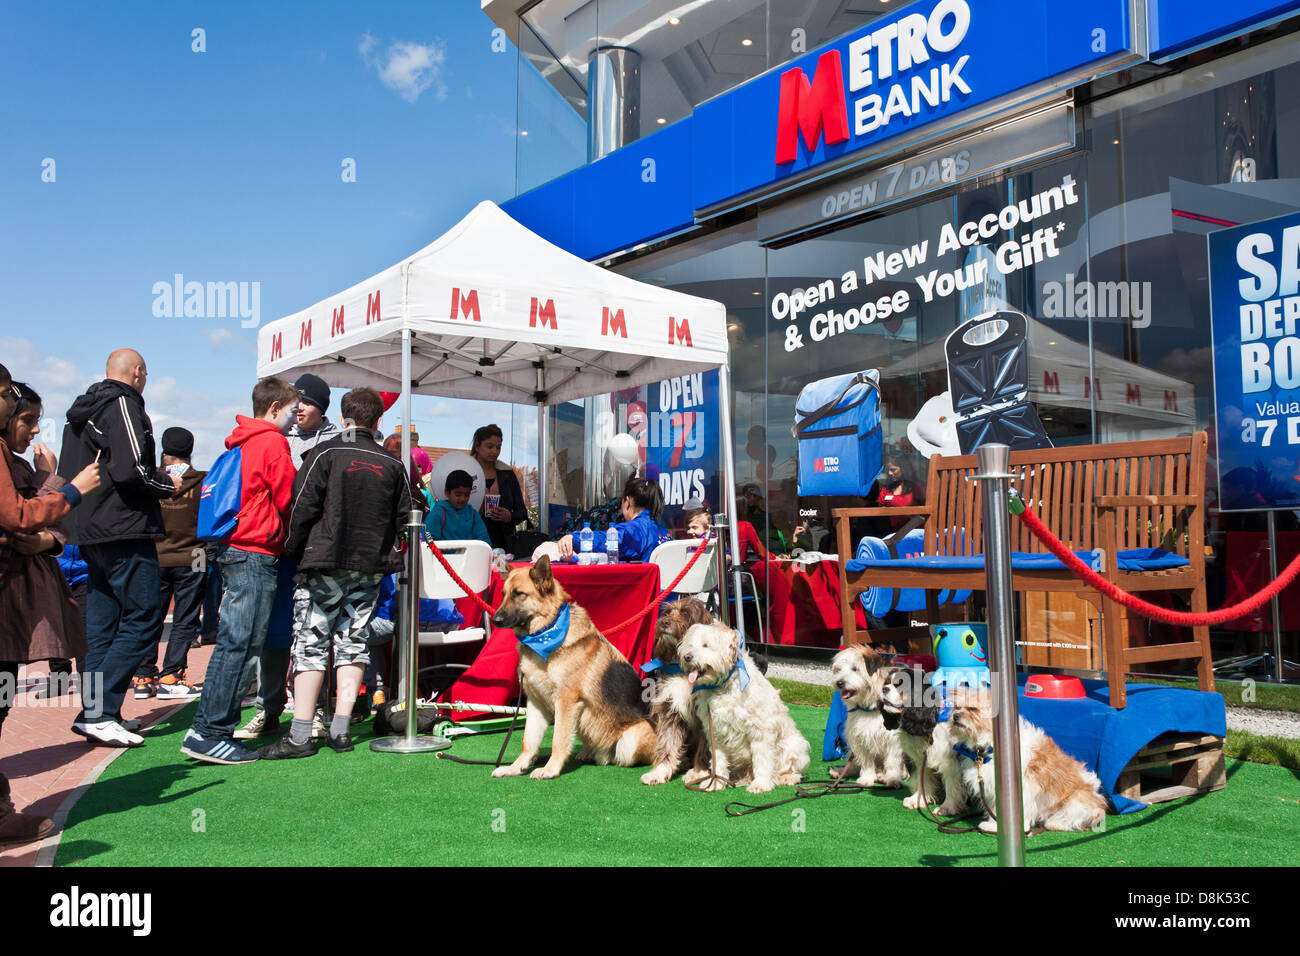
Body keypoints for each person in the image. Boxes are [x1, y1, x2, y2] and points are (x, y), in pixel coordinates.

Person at [260, 387, 410, 758]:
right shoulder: (393, 465)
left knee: (311, 643)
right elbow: (408, 519)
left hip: (323, 561)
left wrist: (294, 551)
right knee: (353, 641)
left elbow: (301, 506)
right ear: (378, 422)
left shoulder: (323, 453)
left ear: (343, 420)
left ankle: (299, 736)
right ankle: (341, 731)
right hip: (370, 565)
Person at [57, 348, 181, 748]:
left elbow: (70, 473)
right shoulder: (123, 403)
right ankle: (98, 711)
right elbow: (132, 470)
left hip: (87, 530)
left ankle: (98, 713)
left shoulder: (79, 413)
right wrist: (168, 484)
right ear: (139, 373)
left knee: (102, 626)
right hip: (123, 527)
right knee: (144, 616)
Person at [181, 377, 298, 764]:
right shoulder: (270, 441)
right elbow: (288, 498)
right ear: (275, 407)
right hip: (255, 551)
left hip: (236, 548)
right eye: (293, 411)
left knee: (238, 642)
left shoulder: (243, 439)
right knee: (241, 644)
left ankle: (208, 728)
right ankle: (210, 731)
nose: (296, 420)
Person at [0, 382, 92, 848]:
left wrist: (46, 536)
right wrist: (68, 488)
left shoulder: (15, 463)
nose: (35, 428)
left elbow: (43, 529)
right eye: (27, 418)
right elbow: (20, 520)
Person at [131, 427, 204, 700]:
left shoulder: (151, 481)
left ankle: (143, 676)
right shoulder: (201, 481)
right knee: (185, 618)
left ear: (164, 452)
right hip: (194, 556)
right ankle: (172, 674)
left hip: (155, 556)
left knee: (151, 617)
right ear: (190, 451)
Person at [557, 475, 670, 562]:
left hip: (650, 592)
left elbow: (607, 540)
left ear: (628, 501)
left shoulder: (635, 530)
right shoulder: (663, 531)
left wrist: (574, 538)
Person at [470, 424, 527, 551]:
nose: (495, 451)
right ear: (477, 446)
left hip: (503, 541)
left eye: (498, 447)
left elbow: (523, 512)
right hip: (472, 538)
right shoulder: (465, 469)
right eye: (490, 446)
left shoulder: (507, 472)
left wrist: (509, 516)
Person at [424, 469, 492, 546]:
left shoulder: (472, 514)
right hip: (442, 556)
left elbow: (484, 541)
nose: (462, 499)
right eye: (458, 495)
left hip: (470, 556)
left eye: (466, 495)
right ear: (447, 492)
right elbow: (428, 538)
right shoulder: (438, 512)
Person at [287, 373, 339, 470]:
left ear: (321, 409)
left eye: (307, 403)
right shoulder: (283, 435)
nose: (299, 408)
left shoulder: (336, 441)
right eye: (297, 402)